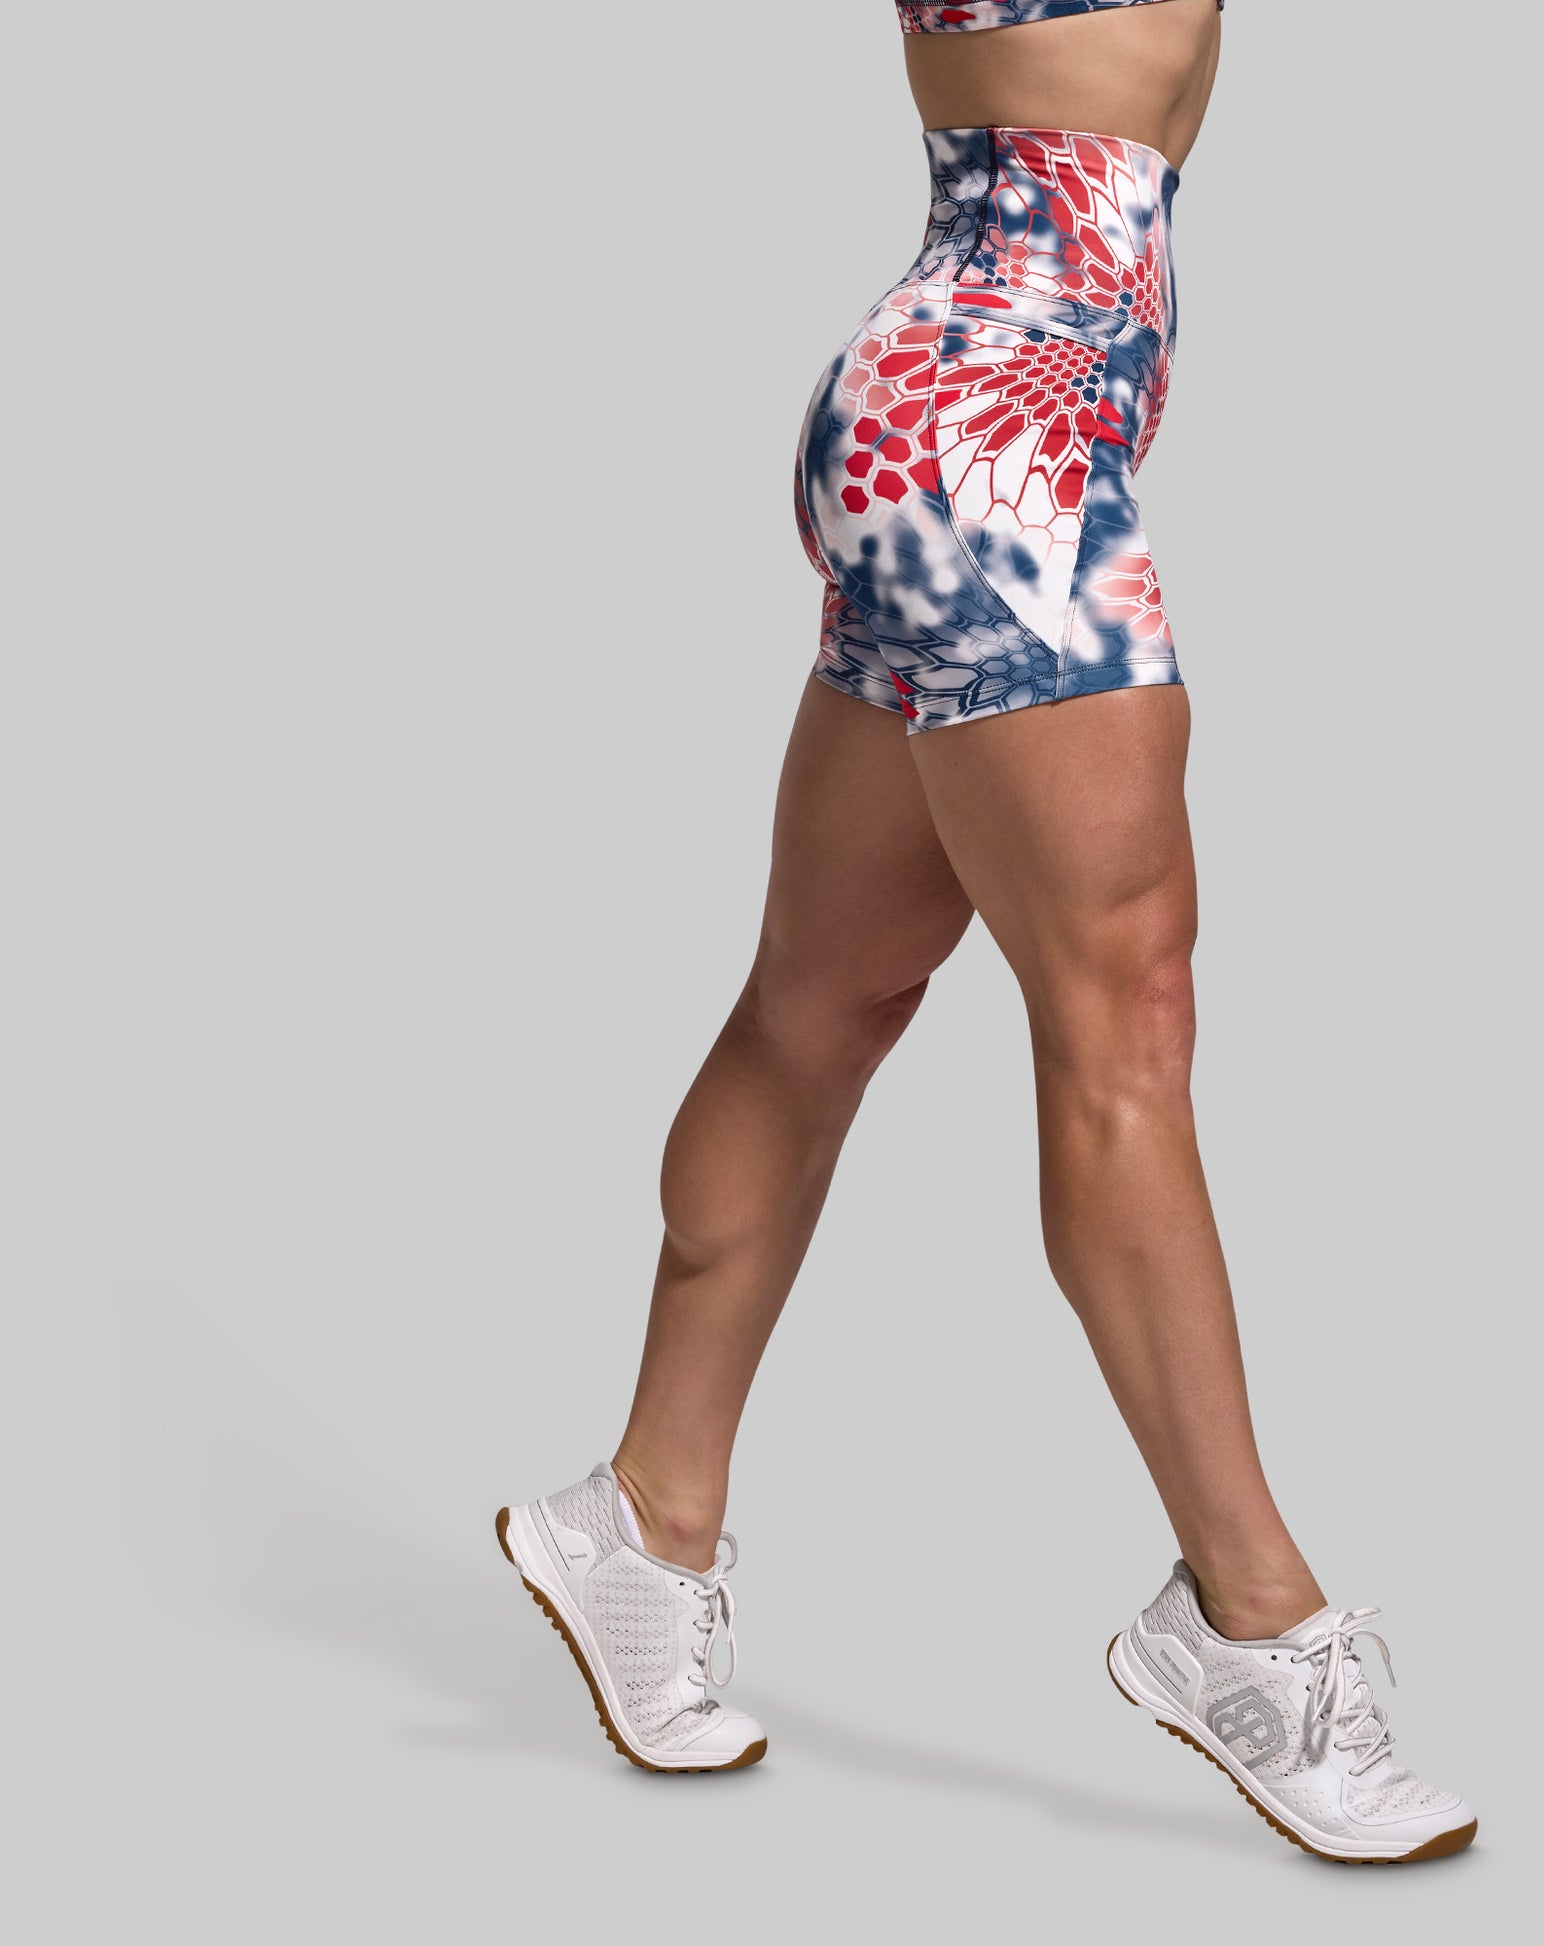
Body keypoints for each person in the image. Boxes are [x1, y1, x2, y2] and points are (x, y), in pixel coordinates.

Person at [496, 0, 1477, 1862]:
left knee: (825, 999)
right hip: (992, 439)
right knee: (1124, 1022)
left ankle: (638, 1516)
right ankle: (1248, 1621)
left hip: (978, 422)